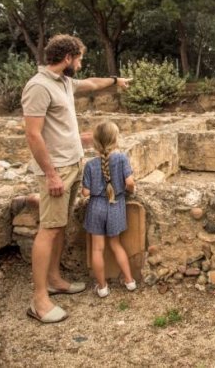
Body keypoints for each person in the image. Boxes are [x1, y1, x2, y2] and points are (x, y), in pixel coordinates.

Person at [22, 34, 131, 323]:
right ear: (68, 58)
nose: (81, 64)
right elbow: (32, 134)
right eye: (80, 58)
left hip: (71, 165)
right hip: (56, 169)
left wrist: (115, 80)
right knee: (49, 228)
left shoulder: (64, 83)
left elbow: (92, 84)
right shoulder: (39, 86)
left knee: (59, 226)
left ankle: (55, 279)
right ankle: (39, 299)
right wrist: (50, 174)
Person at [81, 121, 138, 297]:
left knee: (97, 249)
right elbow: (130, 183)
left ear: (96, 142)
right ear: (115, 139)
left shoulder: (90, 164)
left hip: (96, 207)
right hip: (116, 205)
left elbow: (85, 193)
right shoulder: (121, 158)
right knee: (116, 244)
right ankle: (129, 281)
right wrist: (130, 191)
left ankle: (102, 287)